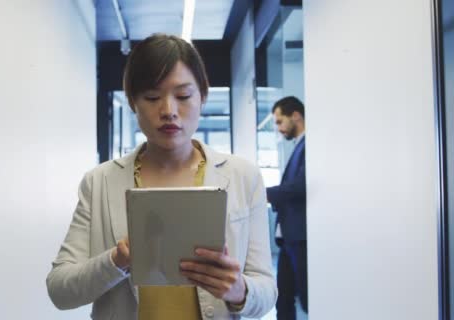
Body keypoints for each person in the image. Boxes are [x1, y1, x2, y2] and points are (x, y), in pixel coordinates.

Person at [46, 34, 277, 320]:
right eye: (152, 97)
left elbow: (266, 289)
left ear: (203, 96)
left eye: (183, 96)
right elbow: (59, 290)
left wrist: (239, 290)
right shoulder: (100, 182)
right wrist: (117, 261)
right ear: (132, 102)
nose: (168, 111)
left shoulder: (243, 176)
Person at [266, 96, 307, 320]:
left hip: (299, 239)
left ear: (296, 116)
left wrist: (265, 193)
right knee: (283, 299)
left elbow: (301, 185)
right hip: (289, 238)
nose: (279, 128)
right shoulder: (299, 146)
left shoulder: (310, 145)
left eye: (280, 121)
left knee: (305, 298)